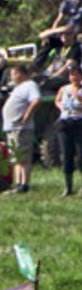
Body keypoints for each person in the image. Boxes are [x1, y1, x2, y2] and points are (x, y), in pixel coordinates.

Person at [1, 64, 42, 193]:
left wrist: (27, 115)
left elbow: (36, 100)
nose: (12, 77)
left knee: (23, 157)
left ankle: (24, 184)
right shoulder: (18, 88)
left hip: (21, 128)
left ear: (21, 73)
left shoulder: (30, 85)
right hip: (12, 128)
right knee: (16, 158)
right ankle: (18, 183)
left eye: (13, 74)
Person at [57, 66, 82, 196]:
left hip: (79, 123)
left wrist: (78, 98)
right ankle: (68, 187)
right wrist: (60, 106)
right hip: (65, 123)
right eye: (72, 75)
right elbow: (57, 100)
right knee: (66, 155)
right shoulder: (64, 89)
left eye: (77, 75)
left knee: (81, 155)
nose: (75, 77)